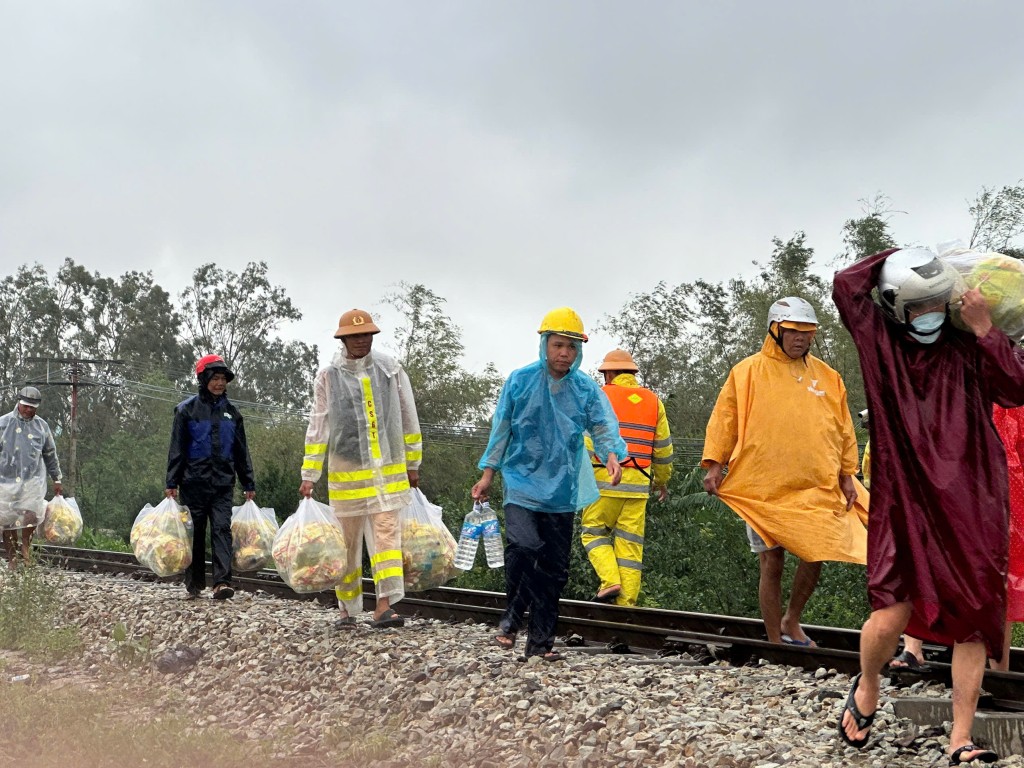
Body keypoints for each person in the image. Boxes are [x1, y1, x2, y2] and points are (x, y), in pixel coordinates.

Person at [833, 247, 1024, 764]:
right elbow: (847, 285)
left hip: (972, 501)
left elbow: (1017, 388)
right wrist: (904, 255)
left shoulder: (967, 346)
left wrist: (985, 328)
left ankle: (960, 737)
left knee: (975, 621)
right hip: (905, 501)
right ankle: (868, 684)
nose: (929, 315)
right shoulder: (881, 345)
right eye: (917, 307)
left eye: (936, 302)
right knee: (890, 613)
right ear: (896, 308)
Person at [702, 297, 868, 647]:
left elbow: (843, 428)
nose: (800, 339)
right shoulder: (746, 372)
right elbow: (725, 419)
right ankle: (775, 639)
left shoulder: (828, 376)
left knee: (816, 552)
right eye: (793, 332)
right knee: (771, 563)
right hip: (764, 487)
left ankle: (792, 620)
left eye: (807, 333)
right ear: (775, 330)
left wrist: (847, 474)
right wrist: (715, 464)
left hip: (816, 486)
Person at [472, 307, 626, 661]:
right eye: (558, 345)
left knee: (555, 570)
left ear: (579, 351)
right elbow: (502, 428)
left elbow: (602, 424)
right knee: (524, 547)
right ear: (545, 344)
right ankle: (511, 618)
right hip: (521, 481)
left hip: (562, 488)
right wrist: (488, 473)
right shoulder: (520, 380)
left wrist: (612, 455)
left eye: (572, 348)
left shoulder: (585, 388)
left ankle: (540, 645)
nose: (564, 354)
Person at [300, 309, 422, 629]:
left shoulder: (390, 370)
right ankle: (347, 609)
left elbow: (408, 416)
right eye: (355, 335)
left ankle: (384, 606)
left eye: (366, 334)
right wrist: (309, 473)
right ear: (343, 339)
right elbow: (319, 425)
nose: (362, 340)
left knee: (386, 542)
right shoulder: (328, 376)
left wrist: (413, 461)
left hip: (387, 475)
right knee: (347, 544)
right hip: (347, 477)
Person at [581, 348, 673, 606]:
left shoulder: (599, 397)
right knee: (630, 548)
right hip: (638, 487)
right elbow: (664, 449)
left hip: (603, 483)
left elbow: (587, 442)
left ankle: (610, 580)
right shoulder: (654, 401)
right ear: (632, 374)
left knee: (593, 533)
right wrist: (661, 481)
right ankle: (626, 605)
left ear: (609, 373)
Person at [166, 355, 256, 600]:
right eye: (215, 378)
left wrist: (248, 481)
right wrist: (171, 481)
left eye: (223, 379)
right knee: (195, 532)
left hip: (222, 484)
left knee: (221, 529)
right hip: (193, 482)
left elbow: (241, 450)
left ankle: (222, 582)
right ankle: (194, 584)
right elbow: (177, 448)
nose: (219, 383)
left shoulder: (233, 414)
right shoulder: (186, 411)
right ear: (204, 378)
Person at [0, 387, 62, 568]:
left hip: (33, 480)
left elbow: (50, 453)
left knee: (31, 516)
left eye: (33, 407)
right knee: (8, 520)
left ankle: (26, 550)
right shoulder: (3, 424)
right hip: (6, 481)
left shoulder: (42, 427)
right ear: (19, 403)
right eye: (26, 406)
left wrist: (56, 478)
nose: (29, 410)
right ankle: (12, 558)